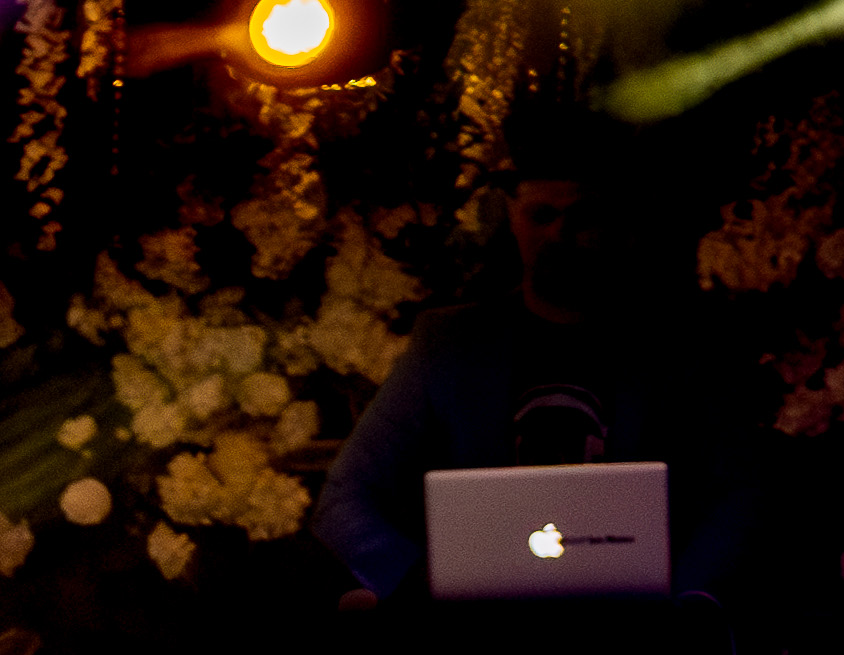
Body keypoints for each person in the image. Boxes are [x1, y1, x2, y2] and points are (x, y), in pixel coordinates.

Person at [314, 112, 744, 601]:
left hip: (632, 613)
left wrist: (678, 597)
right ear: (513, 219)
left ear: (616, 225)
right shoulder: (451, 343)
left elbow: (738, 489)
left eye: (583, 217)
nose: (560, 235)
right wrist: (424, 585)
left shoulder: (674, 345)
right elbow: (344, 496)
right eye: (542, 216)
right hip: (483, 616)